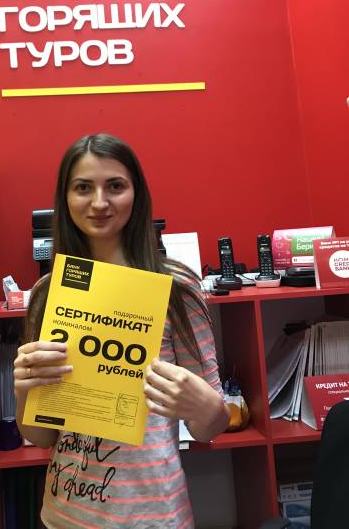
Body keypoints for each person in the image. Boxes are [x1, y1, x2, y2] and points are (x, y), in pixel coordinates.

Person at [14, 133, 229, 529]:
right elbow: (41, 437)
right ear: (65, 198)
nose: (99, 202)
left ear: (136, 194)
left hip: (153, 516)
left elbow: (210, 427)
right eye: (83, 188)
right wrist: (26, 390)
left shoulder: (176, 288)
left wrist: (208, 407)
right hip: (63, 515)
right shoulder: (48, 292)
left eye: (115, 186)